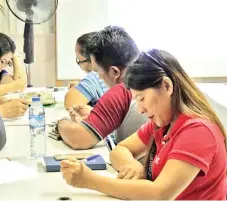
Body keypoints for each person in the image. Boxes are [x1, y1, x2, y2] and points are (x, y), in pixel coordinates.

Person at [61, 49, 227, 200]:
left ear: (167, 86)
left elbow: (159, 194)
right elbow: (120, 150)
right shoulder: (162, 124)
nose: (140, 109)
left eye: (142, 99)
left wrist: (90, 180)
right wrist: (132, 165)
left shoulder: (198, 131)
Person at [58, 26, 147, 150]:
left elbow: (77, 138)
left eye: (98, 72)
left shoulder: (123, 90)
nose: (99, 78)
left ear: (115, 72)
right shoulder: (154, 74)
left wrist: (60, 123)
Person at [64, 32, 109, 109]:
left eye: (79, 60)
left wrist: (84, 86)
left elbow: (70, 102)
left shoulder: (96, 76)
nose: (79, 64)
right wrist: (81, 86)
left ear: (91, 59)